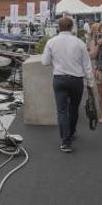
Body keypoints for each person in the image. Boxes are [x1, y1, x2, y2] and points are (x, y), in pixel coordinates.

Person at [41, 16, 95, 153]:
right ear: (72, 27)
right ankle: (71, 133)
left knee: (62, 111)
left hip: (59, 79)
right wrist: (90, 83)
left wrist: (56, 62)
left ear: (58, 28)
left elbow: (45, 62)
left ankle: (65, 141)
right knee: (74, 108)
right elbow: (87, 65)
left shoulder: (51, 42)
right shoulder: (80, 43)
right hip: (76, 80)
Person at [88, 24, 102, 124]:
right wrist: (98, 45)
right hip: (100, 70)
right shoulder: (95, 41)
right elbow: (92, 56)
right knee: (101, 94)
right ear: (100, 32)